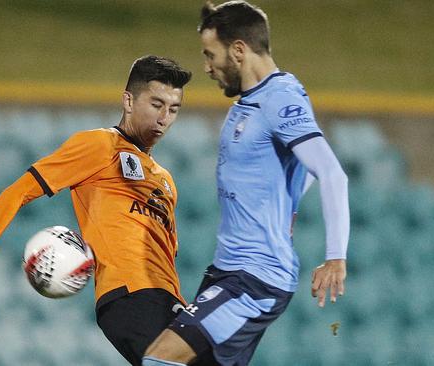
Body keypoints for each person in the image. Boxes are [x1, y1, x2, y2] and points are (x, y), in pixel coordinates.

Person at [0, 55, 192, 366]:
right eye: (156, 104)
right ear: (128, 101)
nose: (164, 117)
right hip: (130, 297)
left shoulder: (165, 181)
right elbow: (18, 192)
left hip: (167, 301)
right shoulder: (100, 145)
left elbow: (164, 255)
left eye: (173, 109)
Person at [143, 2, 350, 365]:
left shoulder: (280, 99)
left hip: (254, 278)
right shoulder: (254, 101)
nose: (206, 67)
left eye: (211, 55)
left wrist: (335, 257)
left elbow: (331, 172)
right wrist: (286, 204)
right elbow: (291, 171)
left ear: (238, 50)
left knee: (161, 359)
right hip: (227, 271)